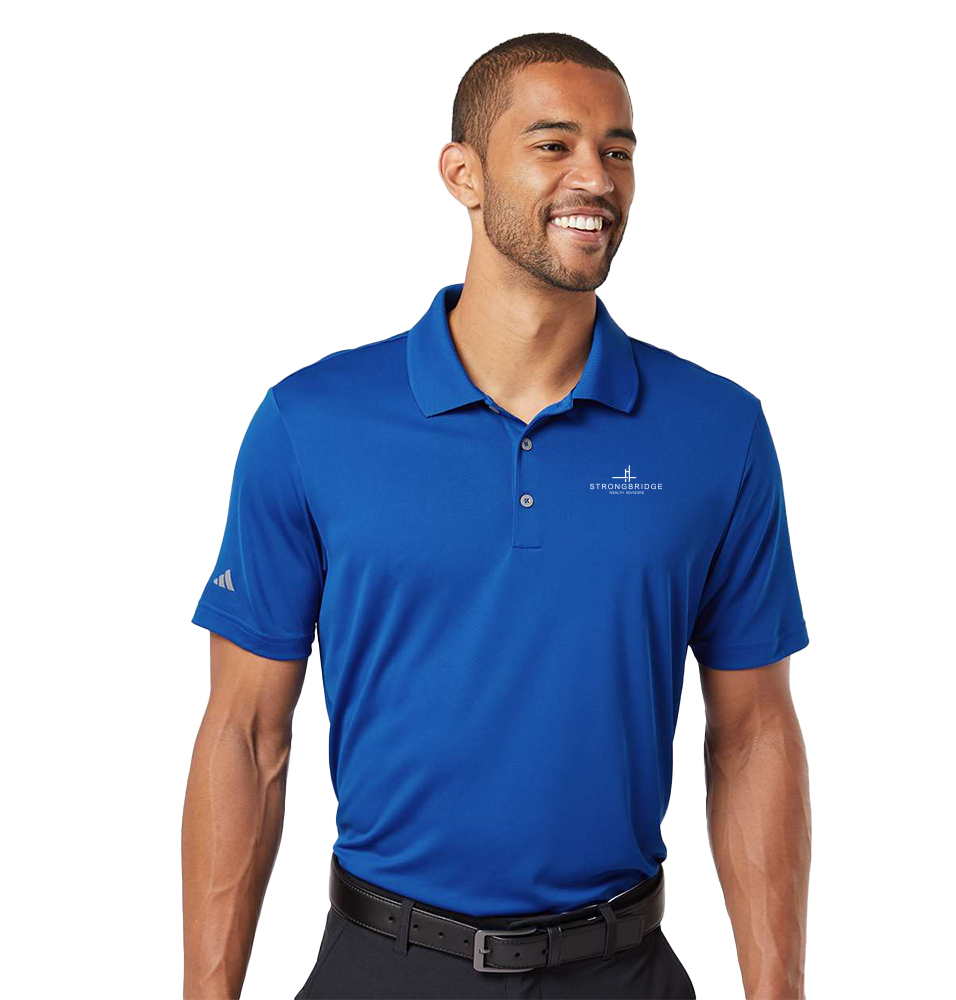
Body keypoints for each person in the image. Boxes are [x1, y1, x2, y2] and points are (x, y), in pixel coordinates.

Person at [181, 31, 812, 1000]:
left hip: (622, 971)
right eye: (553, 144)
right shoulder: (312, 422)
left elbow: (754, 732)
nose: (595, 177)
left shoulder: (717, 431)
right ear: (462, 174)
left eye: (617, 149)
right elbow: (245, 734)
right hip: (382, 969)